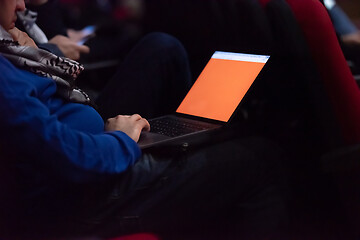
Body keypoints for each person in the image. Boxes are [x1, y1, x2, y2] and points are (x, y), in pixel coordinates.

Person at [0, 0, 288, 239]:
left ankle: (194, 153)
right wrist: (121, 140)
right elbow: (68, 156)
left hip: (92, 156)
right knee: (265, 158)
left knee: (164, 50)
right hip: (79, 197)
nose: (22, 4)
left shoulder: (8, 47)